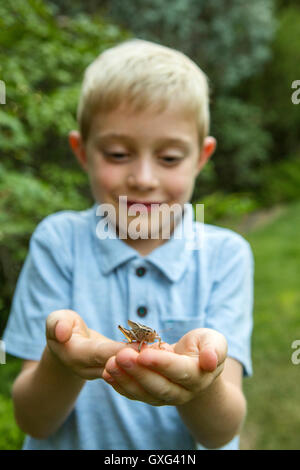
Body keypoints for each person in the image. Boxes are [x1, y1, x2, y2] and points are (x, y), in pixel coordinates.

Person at [3, 39, 254, 450]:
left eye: (169, 158)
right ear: (81, 152)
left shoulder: (227, 256)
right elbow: (33, 420)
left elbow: (222, 432)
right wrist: (63, 360)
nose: (143, 178)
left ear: (201, 158)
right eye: (118, 153)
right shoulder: (58, 242)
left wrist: (203, 383)